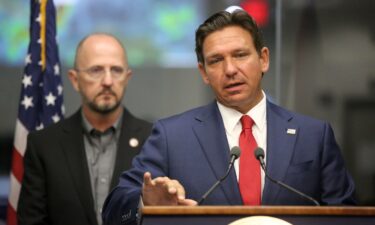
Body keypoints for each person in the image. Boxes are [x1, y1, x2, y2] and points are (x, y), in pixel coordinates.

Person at [102, 8, 356, 225]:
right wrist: (144, 202)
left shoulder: (313, 135)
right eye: (216, 60)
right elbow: (115, 207)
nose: (230, 69)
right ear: (204, 72)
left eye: (240, 55)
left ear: (263, 59)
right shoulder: (172, 136)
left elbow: (347, 215)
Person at [17, 33, 152, 225]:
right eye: (96, 70)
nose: (107, 81)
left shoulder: (155, 140)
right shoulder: (44, 145)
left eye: (116, 70)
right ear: (74, 79)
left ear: (127, 78)